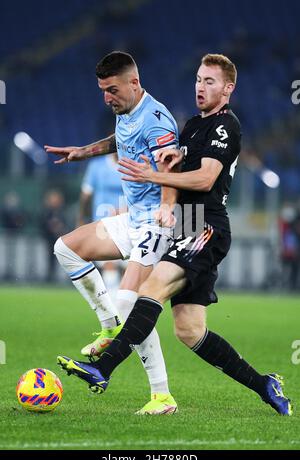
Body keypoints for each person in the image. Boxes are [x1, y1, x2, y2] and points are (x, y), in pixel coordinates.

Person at [57, 54, 292, 416]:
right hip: (187, 224)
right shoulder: (194, 126)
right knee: (190, 330)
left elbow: (204, 179)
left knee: (147, 291)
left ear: (228, 88)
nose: (200, 86)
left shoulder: (225, 126)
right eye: (198, 79)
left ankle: (103, 369)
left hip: (205, 225)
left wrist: (154, 177)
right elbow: (133, 144)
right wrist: (86, 152)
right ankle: (264, 385)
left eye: (210, 81)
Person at [45, 51, 179, 415]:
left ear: (134, 83)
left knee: (129, 302)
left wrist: (167, 205)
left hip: (158, 222)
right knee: (66, 248)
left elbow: (171, 165)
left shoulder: (156, 120)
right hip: (132, 219)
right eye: (103, 90)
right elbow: (119, 139)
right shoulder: (127, 112)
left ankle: (162, 396)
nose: (107, 98)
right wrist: (82, 152)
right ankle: (108, 329)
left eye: (112, 89)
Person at [77, 153, 126, 297]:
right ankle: (114, 306)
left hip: (127, 221)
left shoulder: (133, 164)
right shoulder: (97, 165)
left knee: (128, 267)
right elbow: (86, 194)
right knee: (108, 263)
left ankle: (124, 305)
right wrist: (81, 219)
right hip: (102, 222)